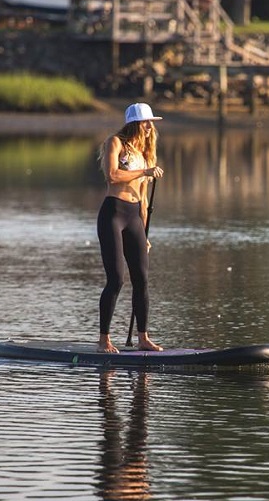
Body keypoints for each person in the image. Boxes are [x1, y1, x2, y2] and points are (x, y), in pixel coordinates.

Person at [96, 102, 164, 353]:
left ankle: (143, 338)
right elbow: (112, 175)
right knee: (116, 280)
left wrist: (143, 233)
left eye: (151, 123)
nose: (149, 127)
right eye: (146, 122)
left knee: (142, 280)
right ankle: (104, 340)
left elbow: (144, 198)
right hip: (113, 214)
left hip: (134, 216)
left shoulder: (147, 153)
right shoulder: (115, 143)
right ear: (134, 122)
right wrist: (143, 171)